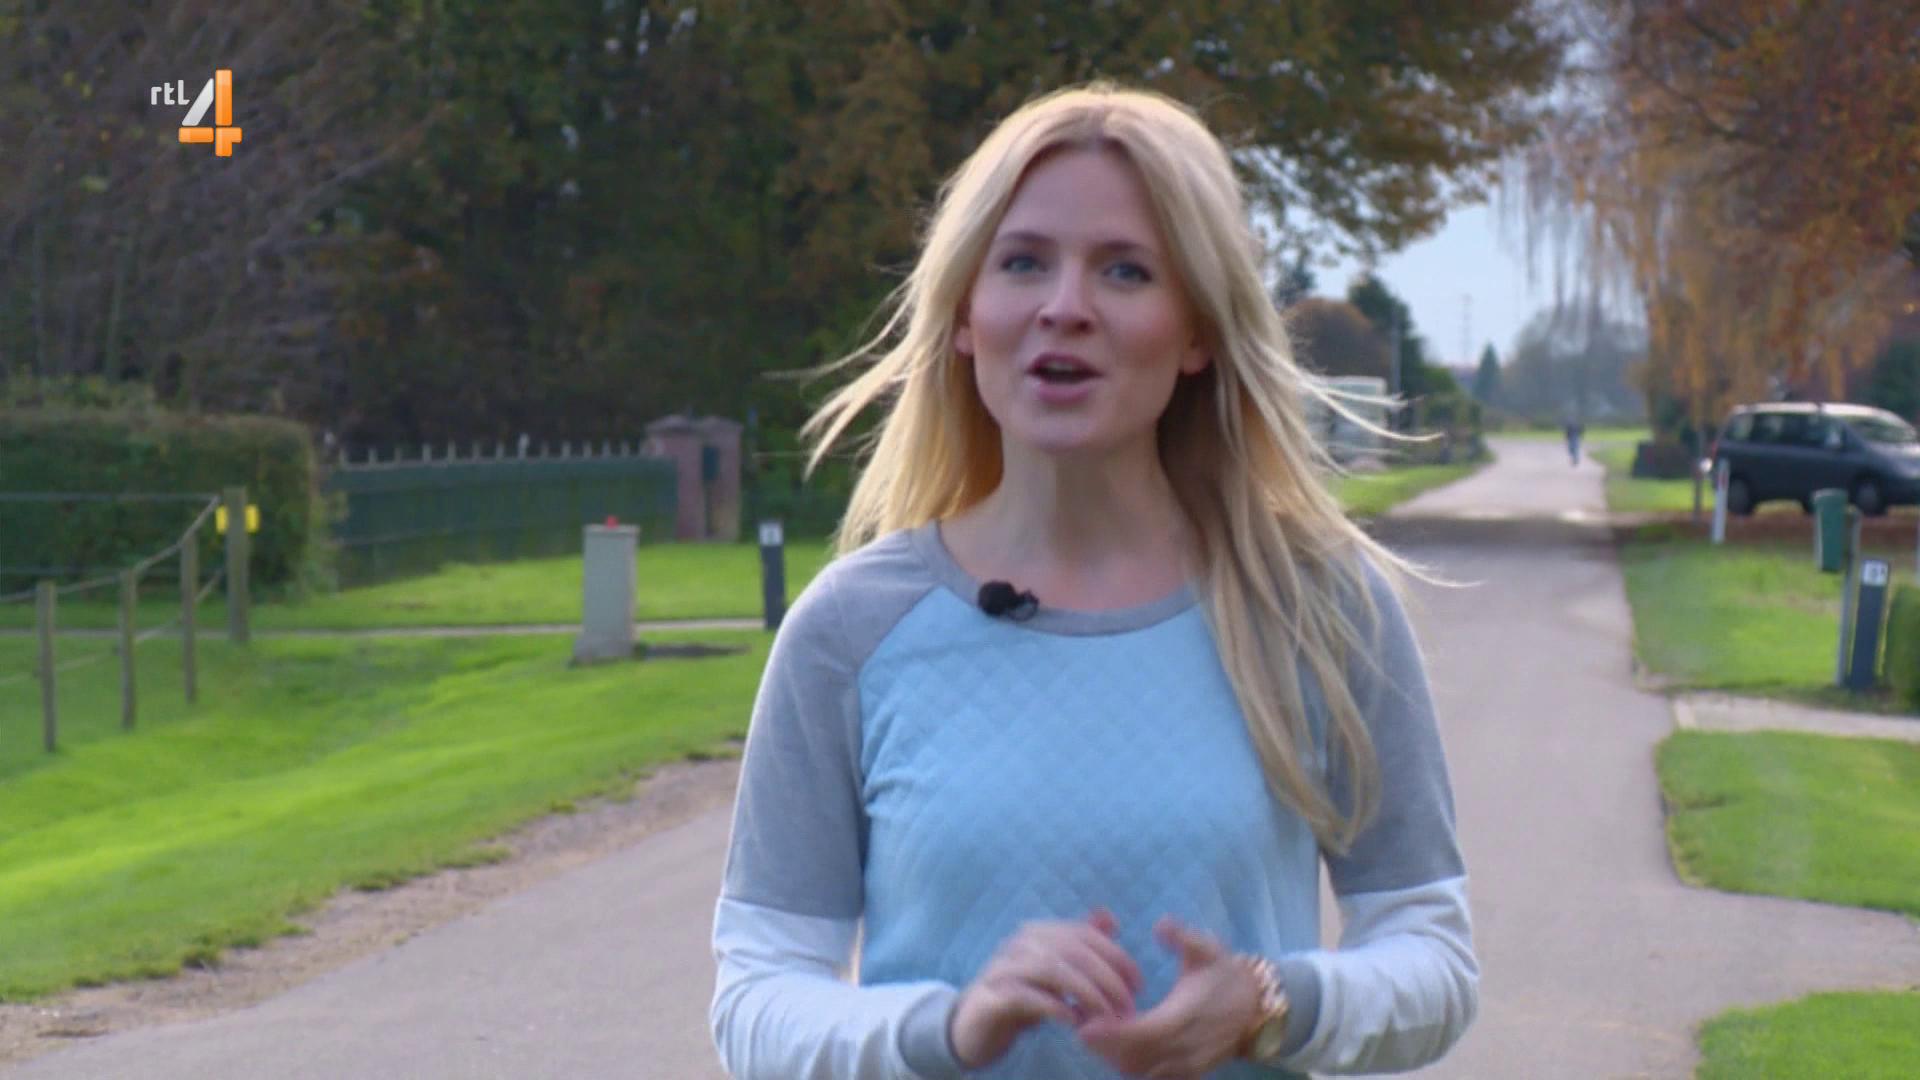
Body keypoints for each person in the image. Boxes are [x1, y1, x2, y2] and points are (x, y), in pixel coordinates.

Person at [709, 82, 1476, 1080]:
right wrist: (946, 1029)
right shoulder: (849, 631)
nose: (1064, 308)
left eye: (1125, 270)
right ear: (965, 315)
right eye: (1023, 261)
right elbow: (759, 993)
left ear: (1197, 333)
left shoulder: (1319, 607)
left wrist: (1269, 1002)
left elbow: (1432, 956)